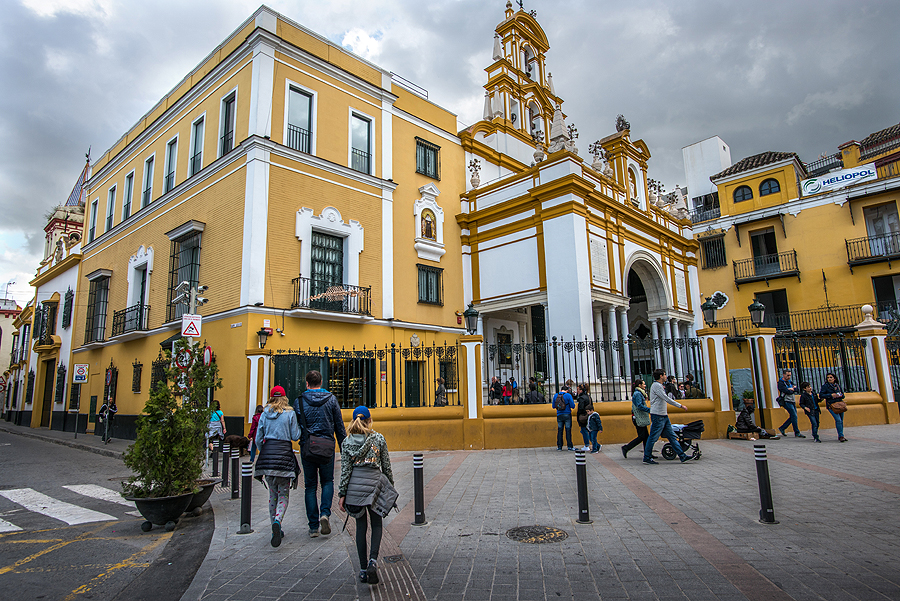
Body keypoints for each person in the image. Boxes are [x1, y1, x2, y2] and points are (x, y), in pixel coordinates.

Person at [339, 405, 395, 585]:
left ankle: (363, 570)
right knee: (377, 524)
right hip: (374, 486)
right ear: (369, 420)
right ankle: (373, 561)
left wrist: (342, 493)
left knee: (360, 527)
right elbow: (386, 466)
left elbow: (345, 471)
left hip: (355, 488)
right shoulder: (378, 438)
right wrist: (390, 489)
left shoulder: (347, 442)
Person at [295, 370, 347, 538]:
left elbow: (296, 427)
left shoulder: (299, 401)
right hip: (327, 447)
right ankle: (325, 513)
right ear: (321, 382)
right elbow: (339, 426)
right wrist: (344, 448)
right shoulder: (331, 399)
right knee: (327, 481)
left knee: (310, 486)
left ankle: (313, 526)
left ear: (307, 383)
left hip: (308, 448)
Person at [253, 386, 301, 548]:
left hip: (268, 458)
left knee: (272, 494)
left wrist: (264, 451)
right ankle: (278, 521)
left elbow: (258, 439)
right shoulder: (290, 413)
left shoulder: (264, 414)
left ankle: (274, 526)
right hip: (284, 458)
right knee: (283, 494)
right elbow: (295, 435)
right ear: (284, 398)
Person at [643, 369, 695, 464]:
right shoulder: (656, 386)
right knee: (653, 437)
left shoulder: (659, 386)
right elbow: (666, 398)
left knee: (672, 436)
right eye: (664, 374)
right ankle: (647, 457)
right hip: (658, 415)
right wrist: (680, 406)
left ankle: (682, 456)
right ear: (661, 376)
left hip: (663, 415)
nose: (666, 376)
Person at [622, 379, 652, 459]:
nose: (645, 385)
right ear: (639, 385)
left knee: (646, 436)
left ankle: (648, 453)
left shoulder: (639, 393)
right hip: (638, 418)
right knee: (642, 436)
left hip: (639, 417)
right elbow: (639, 405)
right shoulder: (638, 394)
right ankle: (626, 447)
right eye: (643, 384)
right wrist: (649, 410)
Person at [777, 369, 805, 438]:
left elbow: (797, 389)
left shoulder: (790, 382)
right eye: (787, 375)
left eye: (789, 375)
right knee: (794, 416)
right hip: (786, 401)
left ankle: (782, 428)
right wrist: (792, 389)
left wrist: (792, 389)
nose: (789, 377)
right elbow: (786, 391)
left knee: (793, 416)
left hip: (792, 400)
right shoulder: (781, 383)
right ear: (783, 375)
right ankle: (797, 432)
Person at [820, 372, 847, 442]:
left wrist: (840, 395)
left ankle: (841, 435)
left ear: (834, 378)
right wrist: (831, 395)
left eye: (831, 377)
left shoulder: (838, 386)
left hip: (840, 405)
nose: (829, 379)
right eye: (828, 377)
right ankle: (841, 436)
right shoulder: (825, 386)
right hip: (831, 405)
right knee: (838, 420)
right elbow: (821, 395)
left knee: (841, 420)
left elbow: (843, 395)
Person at [553, 385, 575, 451]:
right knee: (568, 430)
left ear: (561, 390)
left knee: (560, 430)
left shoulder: (556, 395)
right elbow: (572, 406)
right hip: (567, 414)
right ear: (567, 390)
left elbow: (553, 406)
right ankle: (569, 446)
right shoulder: (568, 395)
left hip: (559, 414)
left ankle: (559, 446)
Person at [575, 383, 594, 451]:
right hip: (588, 415)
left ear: (581, 390)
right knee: (588, 431)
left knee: (584, 430)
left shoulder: (582, 398)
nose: (577, 391)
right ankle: (596, 444)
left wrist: (580, 413)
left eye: (578, 389)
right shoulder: (588, 397)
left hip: (583, 416)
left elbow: (581, 408)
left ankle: (587, 445)